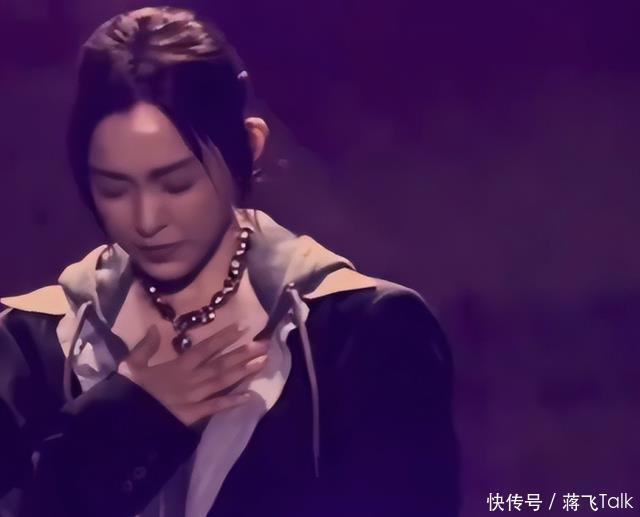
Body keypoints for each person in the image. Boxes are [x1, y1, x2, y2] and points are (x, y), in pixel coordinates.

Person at [0, 6, 460, 517]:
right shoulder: (27, 341)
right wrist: (129, 416)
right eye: (114, 188)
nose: (147, 220)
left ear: (249, 147)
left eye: (177, 184)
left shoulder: (363, 332)